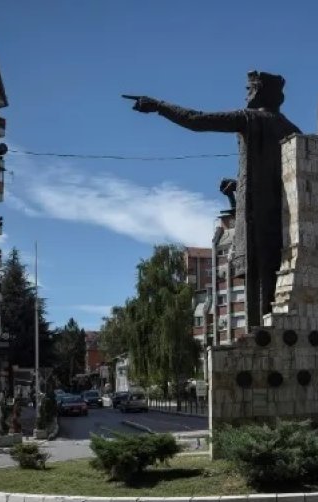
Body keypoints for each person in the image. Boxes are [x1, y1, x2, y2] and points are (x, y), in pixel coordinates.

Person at [125, 71, 301, 328]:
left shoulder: (249, 118)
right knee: (271, 289)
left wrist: (158, 106)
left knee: (257, 293)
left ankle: (259, 338)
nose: (245, 94)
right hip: (280, 224)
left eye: (249, 88)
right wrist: (239, 184)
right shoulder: (292, 130)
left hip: (255, 220)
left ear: (261, 91)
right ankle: (267, 335)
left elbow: (196, 120)